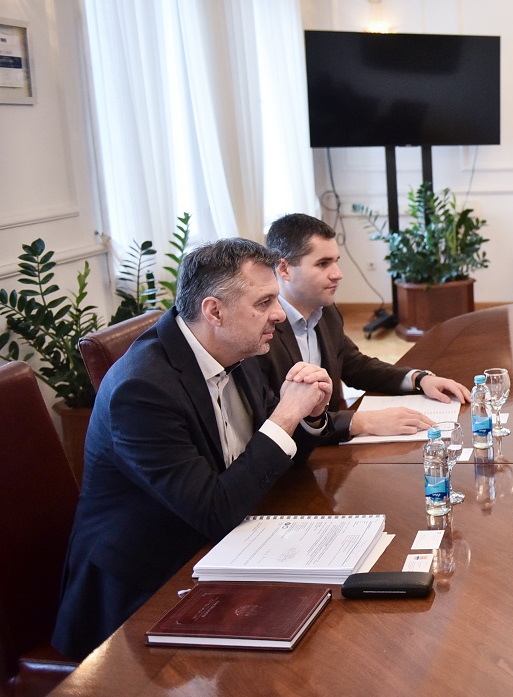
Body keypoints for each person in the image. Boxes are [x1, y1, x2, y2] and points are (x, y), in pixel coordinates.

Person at [53, 239, 335, 660]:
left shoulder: (235, 345)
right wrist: (286, 414)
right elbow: (213, 510)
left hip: (222, 548)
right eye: (264, 302)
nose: (279, 314)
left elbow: (270, 454)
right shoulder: (142, 389)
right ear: (214, 311)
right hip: (145, 592)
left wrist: (310, 413)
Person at [262, 214, 470, 442]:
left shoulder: (326, 312)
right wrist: (361, 422)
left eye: (335, 261)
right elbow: (271, 420)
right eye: (323, 264)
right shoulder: (261, 332)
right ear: (284, 269)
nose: (337, 274)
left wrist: (418, 379)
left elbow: (356, 366)